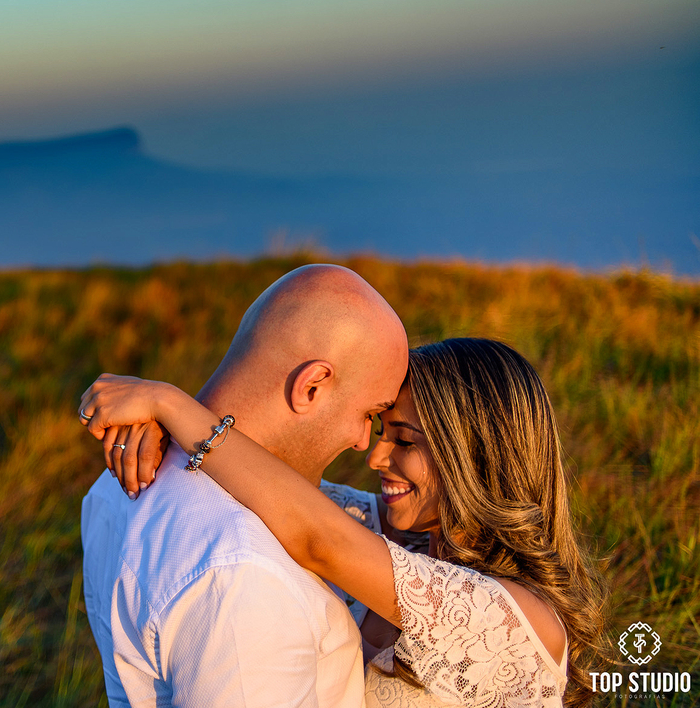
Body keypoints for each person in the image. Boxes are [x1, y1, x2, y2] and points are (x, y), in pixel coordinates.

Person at [80, 337, 606, 708]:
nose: (375, 457)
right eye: (381, 432)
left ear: (475, 456)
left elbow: (318, 536)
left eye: (404, 441)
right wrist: (167, 433)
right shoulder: (403, 540)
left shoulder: (517, 619)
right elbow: (276, 485)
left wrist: (170, 403)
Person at [79, 263, 410, 707]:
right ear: (311, 386)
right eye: (368, 414)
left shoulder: (117, 479)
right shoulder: (247, 575)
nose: (362, 442)